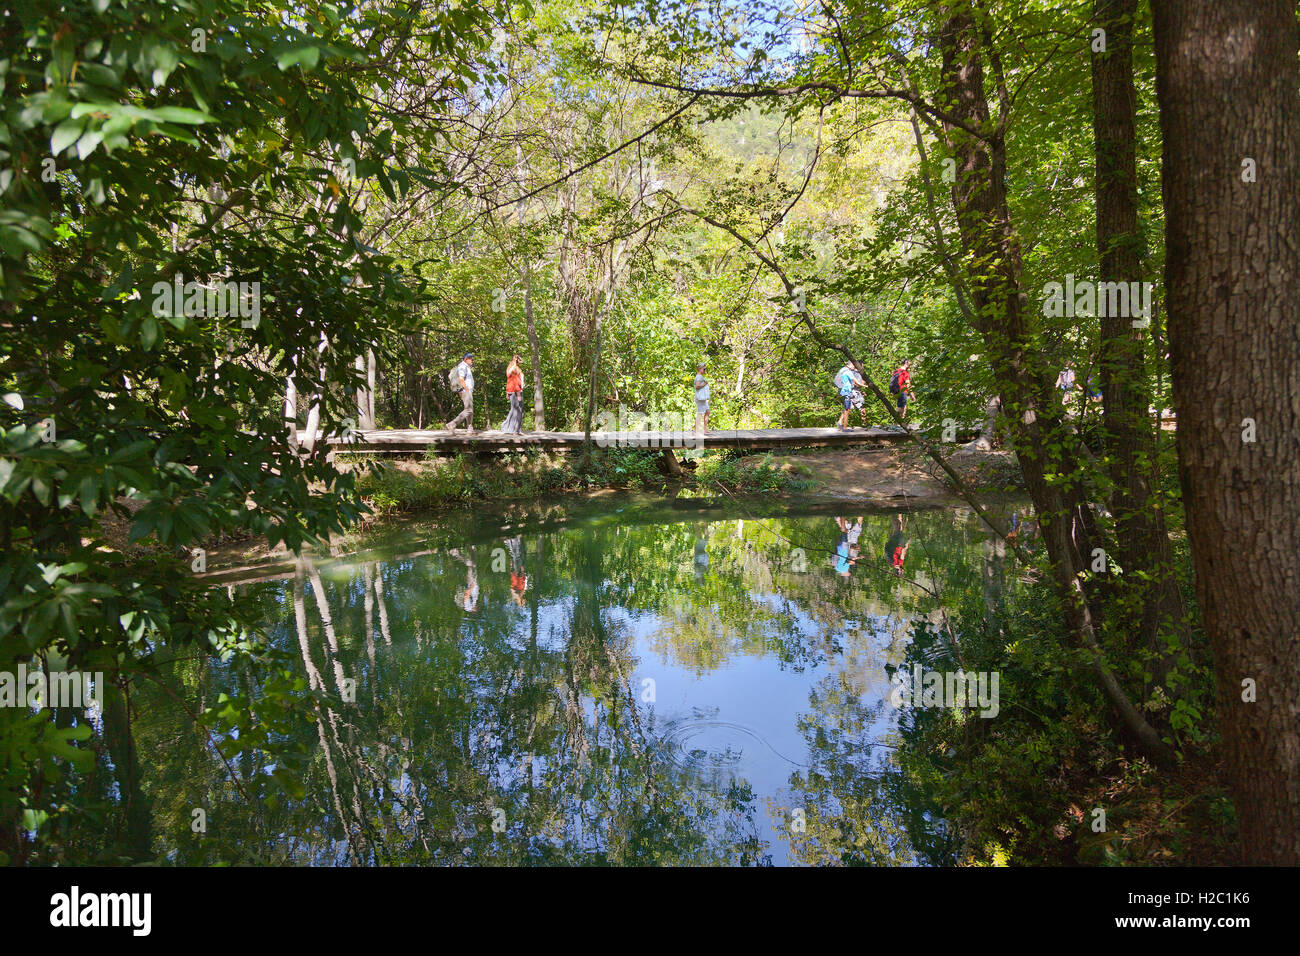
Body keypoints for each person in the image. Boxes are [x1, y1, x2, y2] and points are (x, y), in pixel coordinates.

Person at [446, 352, 475, 433]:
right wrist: (466, 389)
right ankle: (453, 423)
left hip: (467, 390)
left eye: (473, 359)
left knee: (469, 409)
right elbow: (461, 378)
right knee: (469, 410)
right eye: (471, 359)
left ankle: (470, 427)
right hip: (465, 391)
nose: (473, 360)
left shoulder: (467, 366)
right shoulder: (462, 366)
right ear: (466, 359)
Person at [836, 361, 865, 430]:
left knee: (848, 408)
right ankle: (864, 423)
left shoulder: (848, 371)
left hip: (851, 391)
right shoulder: (855, 373)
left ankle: (840, 422)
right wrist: (865, 385)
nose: (863, 367)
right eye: (862, 366)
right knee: (861, 405)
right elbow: (857, 383)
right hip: (854, 392)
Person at [501, 354, 524, 434]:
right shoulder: (515, 369)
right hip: (516, 392)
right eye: (520, 360)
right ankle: (515, 430)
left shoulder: (510, 368)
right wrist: (518, 394)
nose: (521, 362)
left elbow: (509, 381)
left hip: (512, 392)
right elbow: (515, 382)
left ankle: (508, 428)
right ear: (517, 360)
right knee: (518, 411)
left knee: (513, 410)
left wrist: (507, 392)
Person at [892, 359, 913, 423]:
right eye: (909, 364)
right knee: (901, 408)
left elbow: (892, 382)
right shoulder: (905, 373)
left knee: (903, 408)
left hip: (897, 391)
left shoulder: (896, 371)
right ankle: (896, 424)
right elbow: (908, 384)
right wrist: (912, 395)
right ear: (906, 363)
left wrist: (893, 392)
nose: (910, 366)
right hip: (902, 391)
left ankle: (900, 423)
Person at [694, 362, 710, 433]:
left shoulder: (700, 376)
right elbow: (697, 386)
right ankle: (695, 431)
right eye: (704, 369)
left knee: (707, 411)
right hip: (700, 398)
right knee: (700, 413)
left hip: (702, 398)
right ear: (700, 369)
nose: (705, 370)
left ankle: (704, 429)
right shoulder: (699, 377)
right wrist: (704, 384)